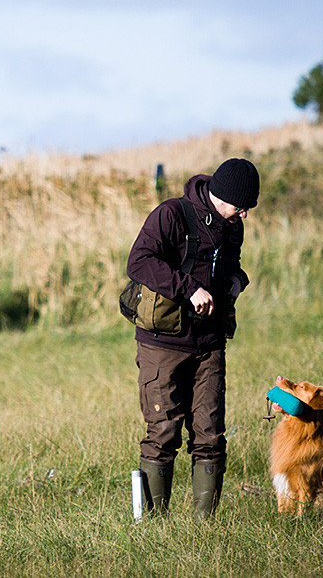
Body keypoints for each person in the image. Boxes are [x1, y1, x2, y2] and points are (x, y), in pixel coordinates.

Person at [126, 157, 259, 519]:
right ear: (220, 195)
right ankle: (152, 525)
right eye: (241, 207)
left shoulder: (233, 227)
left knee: (211, 435)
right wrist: (189, 289)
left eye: (249, 209)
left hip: (210, 343)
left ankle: (205, 526)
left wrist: (236, 281)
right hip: (163, 343)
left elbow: (231, 267)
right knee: (163, 432)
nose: (244, 215)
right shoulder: (171, 214)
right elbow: (138, 262)